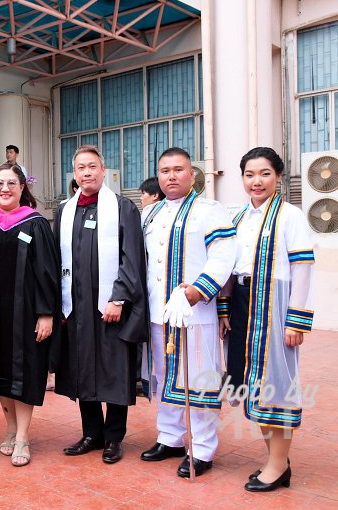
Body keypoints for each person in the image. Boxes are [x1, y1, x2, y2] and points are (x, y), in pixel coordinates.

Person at [217, 147, 314, 492]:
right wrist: (225, 307)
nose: (256, 181)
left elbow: (303, 268)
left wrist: (296, 319)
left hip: (274, 303)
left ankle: (277, 465)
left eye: (264, 174)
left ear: (278, 177)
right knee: (250, 382)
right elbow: (228, 265)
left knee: (278, 383)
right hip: (243, 302)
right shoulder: (240, 216)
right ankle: (276, 461)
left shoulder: (290, 216)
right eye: (249, 174)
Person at [140, 147, 236, 478]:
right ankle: (170, 437)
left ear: (191, 174)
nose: (171, 176)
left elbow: (223, 257)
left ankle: (203, 447)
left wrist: (197, 290)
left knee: (198, 379)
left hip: (195, 314)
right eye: (165, 170)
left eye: (178, 169)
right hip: (157, 312)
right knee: (162, 377)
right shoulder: (149, 215)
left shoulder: (210, 211)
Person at [53, 145, 148, 465]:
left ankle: (113, 437)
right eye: (80, 168)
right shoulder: (65, 211)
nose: (87, 173)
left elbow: (132, 258)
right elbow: (57, 261)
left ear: (103, 170)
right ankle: (91, 433)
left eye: (92, 166)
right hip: (75, 309)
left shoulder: (122, 208)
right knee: (82, 370)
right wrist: (59, 303)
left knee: (114, 371)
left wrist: (118, 297)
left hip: (110, 307)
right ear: (74, 173)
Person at [0, 163, 59, 466]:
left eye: (11, 183)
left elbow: (47, 270)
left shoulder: (35, 224)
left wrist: (46, 313)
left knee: (25, 372)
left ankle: (23, 436)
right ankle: (9, 428)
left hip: (26, 315)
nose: (5, 189)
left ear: (22, 187)